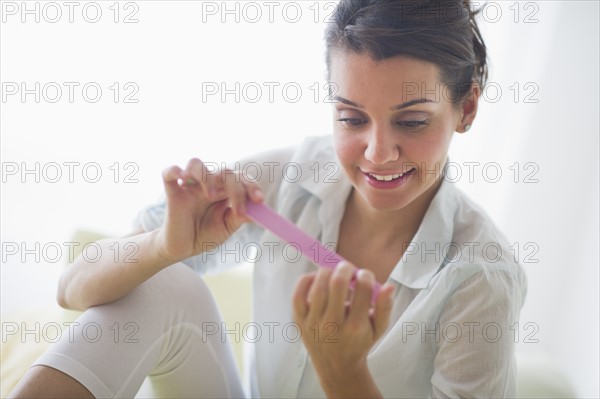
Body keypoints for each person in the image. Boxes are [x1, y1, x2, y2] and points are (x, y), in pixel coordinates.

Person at [9, 0, 527, 397]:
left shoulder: (481, 276)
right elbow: (72, 289)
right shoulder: (289, 178)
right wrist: (166, 246)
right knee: (167, 284)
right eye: (351, 117)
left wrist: (343, 370)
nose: (377, 152)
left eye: (412, 121)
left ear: (467, 108)